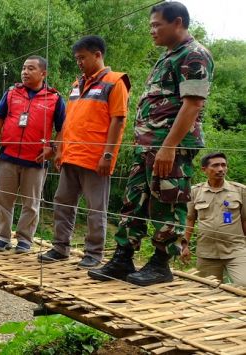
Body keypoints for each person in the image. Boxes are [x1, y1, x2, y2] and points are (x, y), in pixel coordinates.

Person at [89, 1, 214, 286]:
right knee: (134, 201)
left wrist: (169, 146)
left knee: (167, 203)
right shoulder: (168, 55)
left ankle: (160, 263)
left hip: (170, 147)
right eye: (151, 26)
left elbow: (193, 104)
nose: (152, 31)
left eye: (157, 25)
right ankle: (123, 257)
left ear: (178, 22)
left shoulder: (194, 55)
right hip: (146, 146)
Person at [39, 35, 131, 267]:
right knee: (62, 203)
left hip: (95, 158)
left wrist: (108, 155)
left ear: (98, 55)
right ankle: (60, 248)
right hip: (70, 155)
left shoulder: (115, 82)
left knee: (95, 208)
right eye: (77, 58)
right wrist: (59, 149)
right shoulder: (76, 84)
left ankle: (93, 254)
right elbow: (69, 121)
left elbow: (118, 121)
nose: (79, 62)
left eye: (82, 58)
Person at [0, 56, 65, 253]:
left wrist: (53, 148)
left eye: (31, 69)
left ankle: (24, 239)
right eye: (23, 68)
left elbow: (63, 127)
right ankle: (2, 237)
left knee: (31, 203)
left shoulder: (54, 98)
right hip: (8, 156)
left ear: (43, 73)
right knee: (3, 199)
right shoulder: (12, 93)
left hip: (36, 160)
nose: (25, 72)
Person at [181, 153, 246, 286]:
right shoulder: (195, 192)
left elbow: (245, 220)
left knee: (243, 285)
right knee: (206, 290)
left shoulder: (240, 191)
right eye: (215, 165)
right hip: (206, 253)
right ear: (204, 169)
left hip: (236, 251)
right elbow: (189, 220)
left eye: (223, 165)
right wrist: (184, 245)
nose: (221, 169)